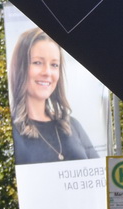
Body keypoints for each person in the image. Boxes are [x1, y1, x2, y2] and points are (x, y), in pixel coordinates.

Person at [8, 26, 97, 164]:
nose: (47, 72)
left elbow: (102, 176)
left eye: (54, 65)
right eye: (37, 62)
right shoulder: (11, 132)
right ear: (20, 68)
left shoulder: (72, 125)